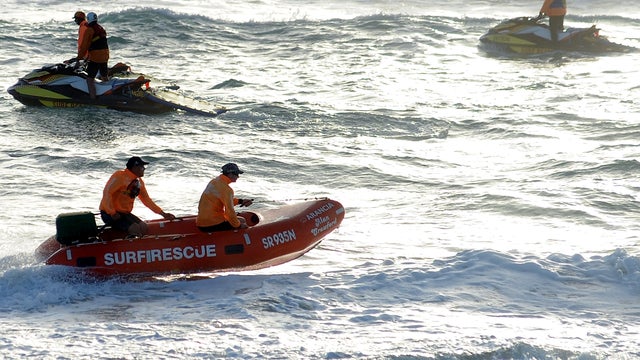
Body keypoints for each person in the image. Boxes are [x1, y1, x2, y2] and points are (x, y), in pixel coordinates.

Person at [99, 156, 175, 236]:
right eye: (142, 167)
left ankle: (142, 245)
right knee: (134, 228)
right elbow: (107, 193)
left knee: (143, 227)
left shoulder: (138, 182)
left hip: (124, 213)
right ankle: (130, 244)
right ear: (135, 167)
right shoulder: (119, 176)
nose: (144, 169)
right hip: (109, 213)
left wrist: (163, 214)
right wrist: (112, 212)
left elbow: (146, 200)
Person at [196, 163, 253, 233]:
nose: (238, 177)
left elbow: (223, 199)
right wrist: (238, 226)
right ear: (230, 174)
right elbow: (229, 211)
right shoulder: (227, 189)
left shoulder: (214, 182)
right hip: (213, 223)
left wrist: (240, 201)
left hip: (200, 222)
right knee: (242, 221)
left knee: (238, 221)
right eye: (237, 174)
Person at [77, 12, 109, 99]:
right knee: (104, 77)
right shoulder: (101, 28)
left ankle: (93, 99)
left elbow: (84, 46)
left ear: (88, 19)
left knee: (89, 79)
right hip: (105, 56)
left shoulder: (89, 30)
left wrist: (78, 58)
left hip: (96, 58)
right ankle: (109, 95)